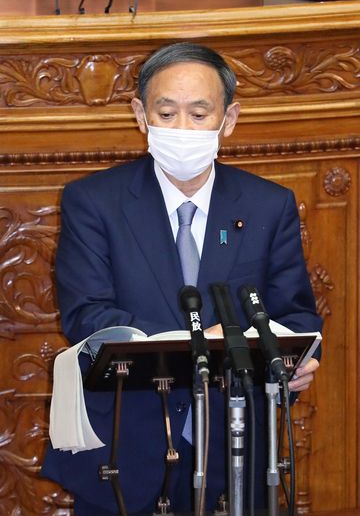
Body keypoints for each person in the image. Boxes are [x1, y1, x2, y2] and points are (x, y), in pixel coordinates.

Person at [42, 42, 322, 515]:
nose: (182, 129)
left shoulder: (267, 205)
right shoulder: (94, 201)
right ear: (140, 114)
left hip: (235, 447)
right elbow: (88, 317)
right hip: (125, 448)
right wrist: (201, 343)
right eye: (166, 113)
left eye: (199, 114)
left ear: (228, 120)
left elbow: (293, 314)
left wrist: (296, 361)